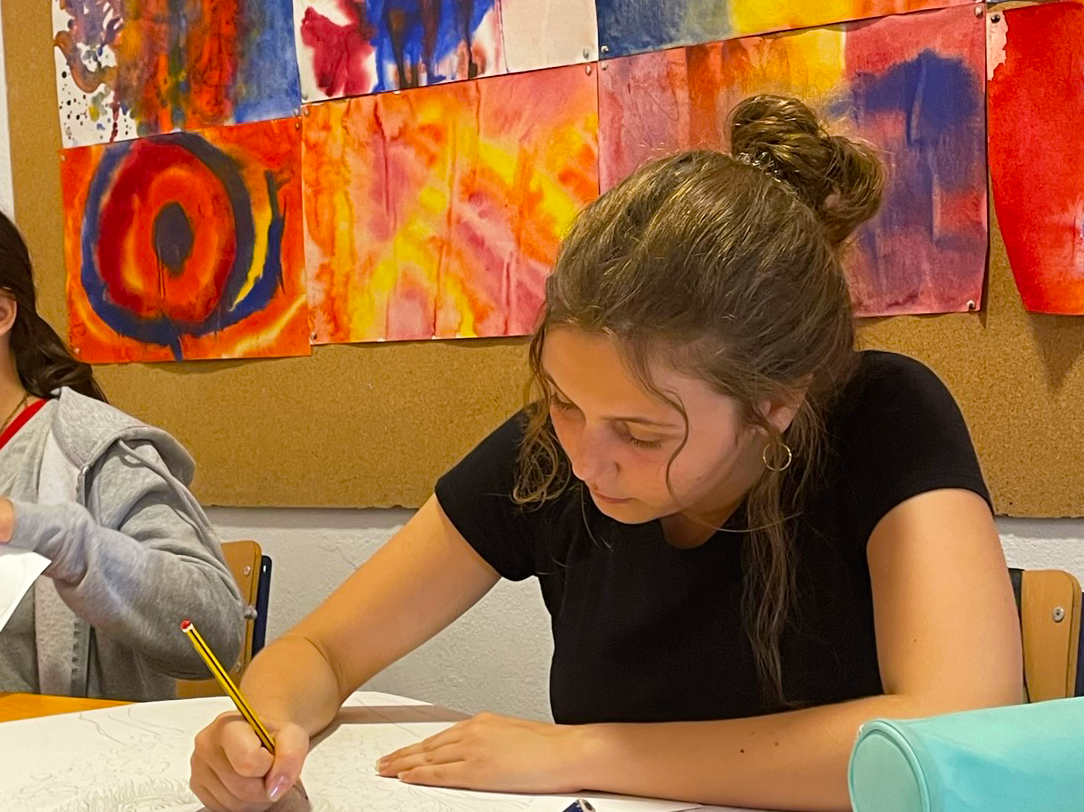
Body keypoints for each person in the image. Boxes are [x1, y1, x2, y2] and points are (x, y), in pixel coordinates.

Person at [190, 95, 1022, 812]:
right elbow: (321, 652)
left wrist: (589, 751)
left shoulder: (885, 417)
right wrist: (260, 726)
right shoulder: (553, 453)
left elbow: (961, 730)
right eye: (563, 400)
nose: (587, 461)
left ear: (776, 400)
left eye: (643, 433)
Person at [0, 211, 244, 701]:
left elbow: (216, 632)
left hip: (62, 745)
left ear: (3, 314)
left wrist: (63, 544)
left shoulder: (92, 452)